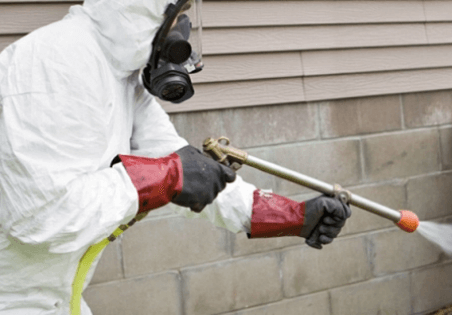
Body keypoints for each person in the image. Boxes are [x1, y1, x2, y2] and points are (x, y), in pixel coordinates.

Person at [0, 0, 351, 314]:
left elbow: (182, 164)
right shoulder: (50, 65)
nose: (184, 28)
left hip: (58, 297)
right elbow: (42, 215)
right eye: (180, 14)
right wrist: (166, 177)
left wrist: (292, 216)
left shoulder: (120, 78)